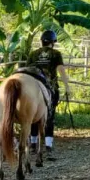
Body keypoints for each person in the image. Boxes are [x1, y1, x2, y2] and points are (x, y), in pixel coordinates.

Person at [26, 29, 68, 157]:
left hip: (32, 85)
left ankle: (33, 144)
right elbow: (61, 70)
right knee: (50, 115)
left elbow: (27, 70)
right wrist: (67, 87)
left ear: (42, 42)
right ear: (53, 42)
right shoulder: (56, 54)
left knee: (32, 115)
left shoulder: (33, 54)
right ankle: (48, 145)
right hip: (50, 86)